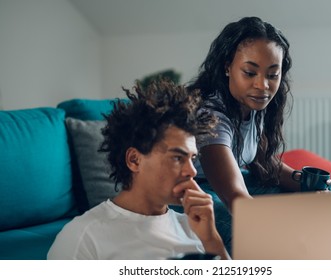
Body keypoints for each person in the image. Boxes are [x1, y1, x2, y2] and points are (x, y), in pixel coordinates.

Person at [47, 79, 230, 260]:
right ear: (134, 160)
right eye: (177, 158)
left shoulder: (194, 228)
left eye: (193, 158)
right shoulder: (83, 237)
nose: (192, 171)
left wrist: (211, 239)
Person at [187, 16, 312, 253]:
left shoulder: (253, 104)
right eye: (250, 72)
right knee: (240, 225)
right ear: (227, 67)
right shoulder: (210, 116)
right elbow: (235, 195)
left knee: (325, 195)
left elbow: (263, 161)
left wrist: (306, 182)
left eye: (272, 75)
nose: (262, 85)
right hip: (197, 195)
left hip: (234, 190)